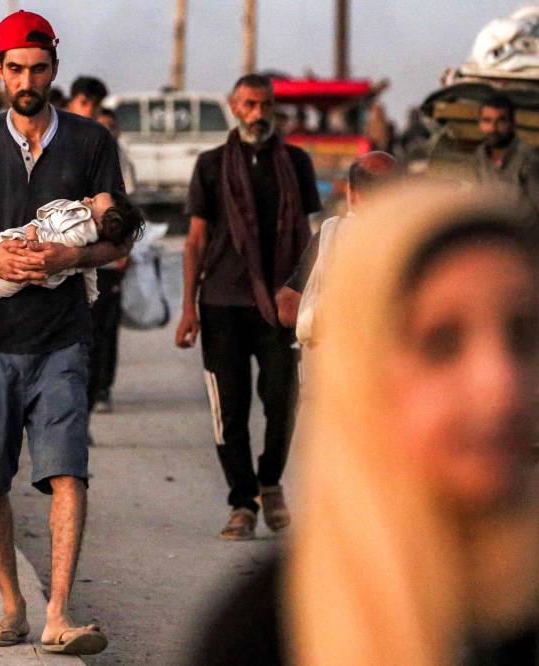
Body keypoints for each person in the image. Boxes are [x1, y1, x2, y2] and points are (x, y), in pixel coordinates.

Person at [186, 183, 539, 665]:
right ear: (362, 370)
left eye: (523, 337)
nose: (502, 387)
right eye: (442, 343)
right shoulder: (272, 635)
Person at [0, 9, 125, 655]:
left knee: (67, 470)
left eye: (38, 68)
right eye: (15, 68)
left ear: (54, 70)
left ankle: (59, 613)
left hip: (62, 338)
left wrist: (72, 257)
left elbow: (116, 239)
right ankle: (14, 606)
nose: (27, 79)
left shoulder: (90, 143)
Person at [175, 73, 321, 541]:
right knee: (230, 410)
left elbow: (311, 232)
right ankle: (242, 502)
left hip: (281, 304)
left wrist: (305, 290)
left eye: (266, 106)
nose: (259, 114)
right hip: (221, 302)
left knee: (283, 403)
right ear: (235, 107)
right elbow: (195, 239)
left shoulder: (295, 162)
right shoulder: (212, 165)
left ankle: (270, 481)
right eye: (250, 105)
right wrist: (188, 308)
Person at [0, 192, 143, 344]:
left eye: (94, 202)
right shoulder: (82, 221)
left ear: (99, 222)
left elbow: (60, 244)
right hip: (14, 250)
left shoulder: (82, 231)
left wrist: (34, 235)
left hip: (22, 258)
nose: (88, 199)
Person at [274, 151, 400, 337]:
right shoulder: (421, 239)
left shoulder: (331, 237)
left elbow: (287, 309)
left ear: (352, 194)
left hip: (341, 357)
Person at [88, 106, 138, 415]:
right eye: (101, 126)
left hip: (111, 260)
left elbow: (129, 207)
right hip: (83, 260)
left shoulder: (122, 161)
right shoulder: (82, 157)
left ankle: (103, 387)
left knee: (107, 328)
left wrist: (125, 250)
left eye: (111, 125)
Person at [476, 92, 539, 219]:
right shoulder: (481, 155)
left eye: (501, 121)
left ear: (512, 124)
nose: (493, 128)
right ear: (480, 124)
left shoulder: (528, 159)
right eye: (487, 121)